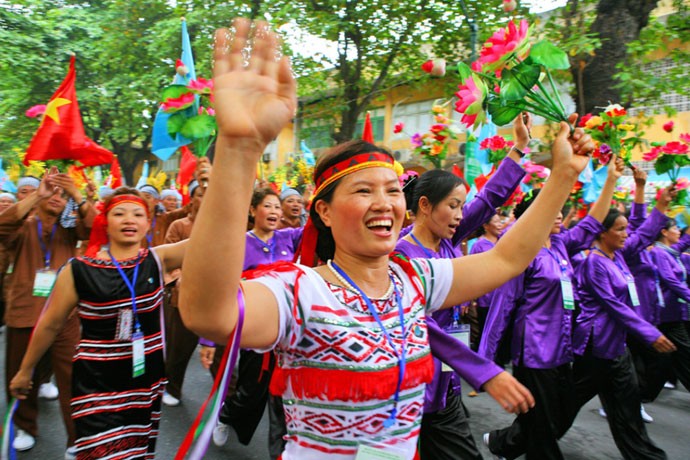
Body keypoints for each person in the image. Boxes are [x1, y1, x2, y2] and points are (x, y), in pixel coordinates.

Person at [178, 18, 593, 460]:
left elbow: (508, 258)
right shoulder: (300, 291)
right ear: (324, 212)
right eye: (363, 191)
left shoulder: (415, 280)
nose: (384, 203)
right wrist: (238, 150)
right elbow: (210, 313)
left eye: (393, 191)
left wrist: (564, 174)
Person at [10, 186, 187, 459]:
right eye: (119, 213)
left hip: (145, 380)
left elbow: (214, 239)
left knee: (137, 451)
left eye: (138, 214)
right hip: (97, 384)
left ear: (148, 222)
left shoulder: (158, 259)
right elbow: (49, 324)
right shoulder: (77, 270)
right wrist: (25, 370)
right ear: (105, 222)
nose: (129, 220)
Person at [395, 118, 529, 460]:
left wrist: (518, 148)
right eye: (452, 205)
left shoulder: (448, 240)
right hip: (408, 385)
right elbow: (419, 326)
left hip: (445, 384)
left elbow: (489, 200)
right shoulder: (401, 255)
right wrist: (484, 372)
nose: (459, 215)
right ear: (424, 206)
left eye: (460, 207)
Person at [481, 156, 622, 460]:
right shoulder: (521, 249)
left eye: (559, 208)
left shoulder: (559, 245)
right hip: (534, 350)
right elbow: (503, 304)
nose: (559, 214)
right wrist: (484, 362)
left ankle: (503, 443)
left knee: (553, 415)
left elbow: (592, 224)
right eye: (552, 208)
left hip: (562, 348)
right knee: (544, 430)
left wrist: (610, 180)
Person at [571, 190, 677, 460]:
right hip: (597, 345)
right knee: (564, 406)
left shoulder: (617, 256)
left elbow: (643, 234)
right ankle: (512, 441)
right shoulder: (592, 263)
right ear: (602, 233)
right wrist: (649, 333)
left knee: (626, 406)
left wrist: (661, 206)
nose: (626, 234)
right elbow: (613, 306)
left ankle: (646, 455)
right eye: (619, 229)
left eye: (625, 229)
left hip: (616, 344)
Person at [0, 168, 95, 455]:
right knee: (19, 373)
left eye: (62, 194)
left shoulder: (69, 228)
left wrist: (78, 195)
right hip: (24, 310)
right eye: (53, 192)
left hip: (63, 314)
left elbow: (95, 227)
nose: (58, 197)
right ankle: (26, 426)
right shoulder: (23, 223)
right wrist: (35, 196)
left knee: (71, 376)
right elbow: (2, 226)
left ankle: (76, 438)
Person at [211, 187, 302, 460]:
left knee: (285, 396)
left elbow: (320, 227)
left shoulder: (289, 237)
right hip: (254, 329)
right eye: (268, 206)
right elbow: (220, 288)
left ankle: (282, 452)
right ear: (252, 211)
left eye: (277, 207)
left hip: (288, 331)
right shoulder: (238, 243)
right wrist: (208, 340)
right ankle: (226, 415)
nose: (274, 212)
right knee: (252, 391)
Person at [161, 178, 209, 407]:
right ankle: (172, 386)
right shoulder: (179, 226)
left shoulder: (221, 226)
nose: (206, 198)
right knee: (178, 347)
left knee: (218, 350)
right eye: (200, 193)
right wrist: (180, 279)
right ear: (192, 198)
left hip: (213, 296)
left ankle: (228, 400)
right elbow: (168, 262)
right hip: (183, 296)